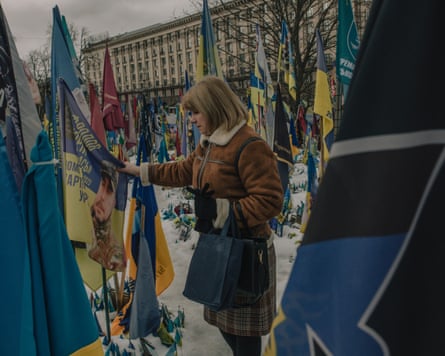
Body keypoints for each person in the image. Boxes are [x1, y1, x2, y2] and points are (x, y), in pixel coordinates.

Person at [118, 75, 283, 355]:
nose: (191, 120)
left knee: (244, 338)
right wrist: (140, 171)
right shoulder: (209, 143)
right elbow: (184, 170)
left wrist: (222, 211)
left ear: (215, 106)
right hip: (221, 249)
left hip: (246, 254)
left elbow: (270, 201)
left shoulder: (249, 144)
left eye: (195, 112)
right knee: (226, 325)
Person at [88, 160, 126, 271]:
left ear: (115, 202)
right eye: (103, 184)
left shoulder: (114, 254)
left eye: (109, 191)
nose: (103, 196)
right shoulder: (81, 225)